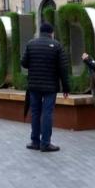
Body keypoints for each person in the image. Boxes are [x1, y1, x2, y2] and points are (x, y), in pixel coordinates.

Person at [21, 22, 70, 153]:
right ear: (51, 33)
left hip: (34, 85)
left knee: (35, 112)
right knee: (47, 113)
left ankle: (35, 141)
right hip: (50, 87)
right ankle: (46, 143)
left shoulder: (31, 44)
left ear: (40, 32)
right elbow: (63, 68)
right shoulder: (57, 46)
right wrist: (66, 88)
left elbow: (24, 63)